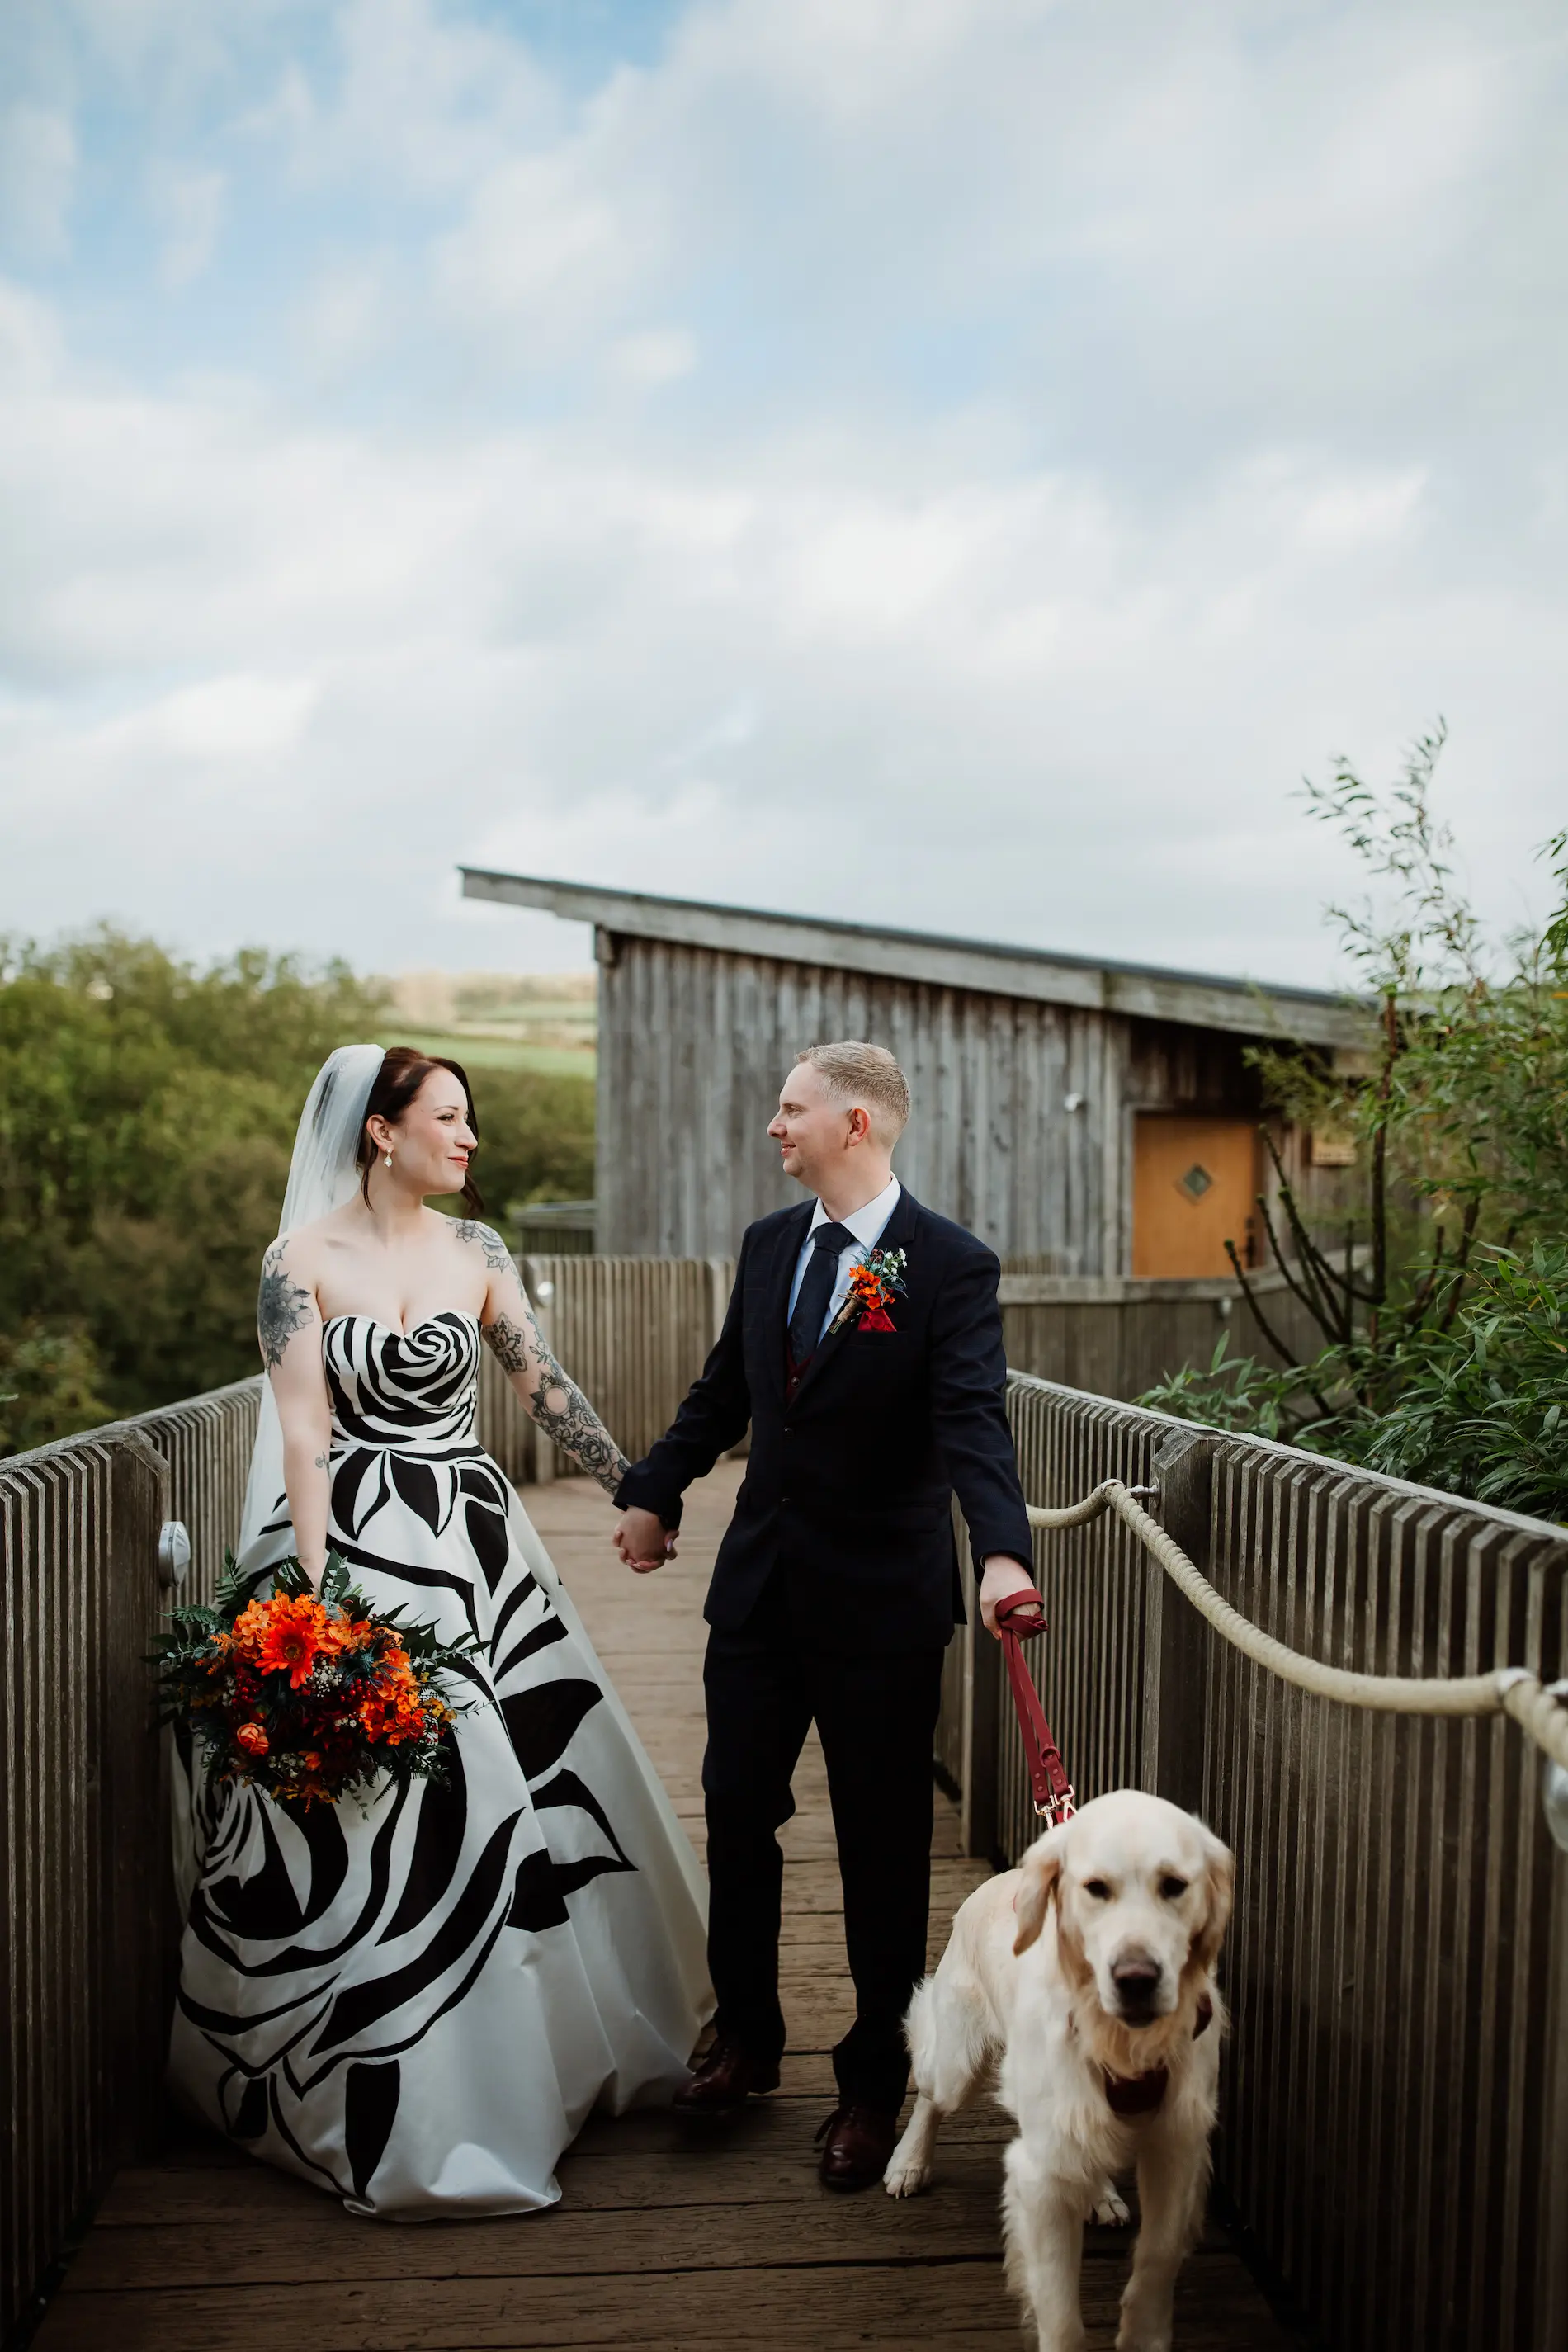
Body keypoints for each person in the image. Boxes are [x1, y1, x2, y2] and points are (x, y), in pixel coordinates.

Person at [169, 1044, 710, 2217]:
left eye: (471, 1121)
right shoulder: (296, 1262)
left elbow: (540, 1382)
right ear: (380, 1130)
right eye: (449, 1118)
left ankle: (532, 2053)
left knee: (518, 1782)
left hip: (473, 1549)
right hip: (355, 1543)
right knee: (376, 1800)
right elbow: (304, 1432)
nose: (469, 1141)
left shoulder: (479, 1252)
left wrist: (634, 1488)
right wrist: (315, 1596)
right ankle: (391, 2073)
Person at [612, 1040, 1037, 2191]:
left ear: (858, 1123)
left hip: (884, 1606)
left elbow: (972, 1420)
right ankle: (746, 2037)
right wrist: (655, 1489)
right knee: (739, 1812)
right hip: (758, 1590)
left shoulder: (947, 1264)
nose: (773, 1125)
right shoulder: (766, 1247)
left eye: (791, 1108)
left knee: (883, 1848)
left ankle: (869, 2084)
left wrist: (1001, 1552)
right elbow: (724, 1392)